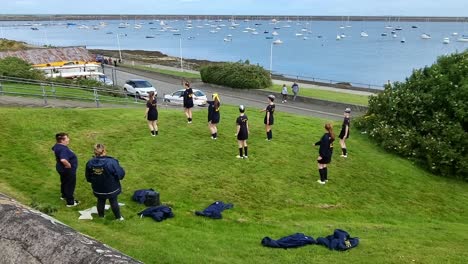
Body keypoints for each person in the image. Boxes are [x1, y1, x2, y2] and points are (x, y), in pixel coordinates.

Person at [85, 144, 125, 220]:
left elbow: (88, 176)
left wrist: (93, 181)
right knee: (113, 201)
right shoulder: (112, 162)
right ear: (104, 151)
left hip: (97, 186)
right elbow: (120, 174)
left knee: (100, 200)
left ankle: (101, 216)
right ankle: (118, 217)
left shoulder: (90, 163)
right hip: (111, 186)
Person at [52, 132, 79, 207]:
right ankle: (70, 202)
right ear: (62, 140)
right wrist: (68, 165)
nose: (68, 139)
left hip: (61, 169)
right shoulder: (63, 149)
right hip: (68, 170)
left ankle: (63, 195)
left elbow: (53, 149)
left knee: (64, 182)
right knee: (70, 185)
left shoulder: (57, 145)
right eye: (67, 138)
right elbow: (63, 160)